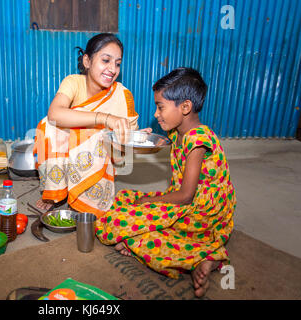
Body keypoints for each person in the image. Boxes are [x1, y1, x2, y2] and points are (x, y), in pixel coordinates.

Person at [95, 67, 236, 298]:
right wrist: (137, 138)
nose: (157, 113)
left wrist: (151, 200)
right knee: (124, 201)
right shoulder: (178, 133)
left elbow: (186, 196)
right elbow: (156, 151)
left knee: (124, 219)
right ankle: (189, 251)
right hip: (187, 201)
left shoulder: (198, 139)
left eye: (160, 106)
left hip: (203, 212)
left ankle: (207, 257)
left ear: (185, 107)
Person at [33, 33, 150, 217]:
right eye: (106, 60)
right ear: (87, 61)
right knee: (48, 126)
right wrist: (103, 118)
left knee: (99, 137)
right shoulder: (73, 82)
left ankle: (86, 199)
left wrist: (136, 137)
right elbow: (54, 114)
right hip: (72, 151)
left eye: (117, 63)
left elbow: (122, 156)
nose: (112, 69)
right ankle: (56, 191)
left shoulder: (122, 95)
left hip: (103, 156)